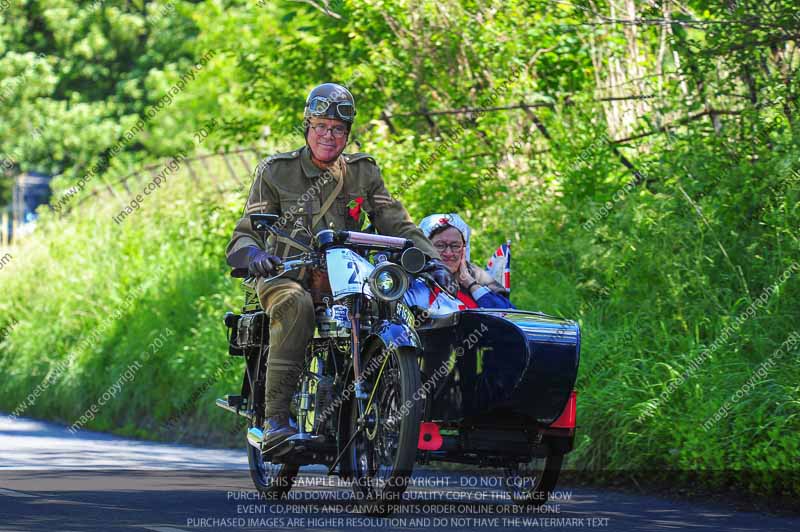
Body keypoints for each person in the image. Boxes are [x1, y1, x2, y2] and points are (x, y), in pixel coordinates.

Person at [225, 83, 454, 448]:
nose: (328, 136)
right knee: (296, 306)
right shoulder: (276, 172)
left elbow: (396, 222)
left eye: (337, 129)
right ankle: (276, 421)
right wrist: (256, 257)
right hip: (287, 275)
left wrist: (433, 260)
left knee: (388, 305)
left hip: (346, 279)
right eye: (320, 126)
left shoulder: (363, 173)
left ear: (347, 135)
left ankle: (387, 405)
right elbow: (243, 236)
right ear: (307, 127)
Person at [419, 214, 514, 309]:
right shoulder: (412, 278)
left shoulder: (479, 277)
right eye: (440, 245)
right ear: (427, 248)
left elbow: (508, 316)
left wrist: (469, 283)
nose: (448, 253)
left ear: (465, 249)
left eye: (455, 246)